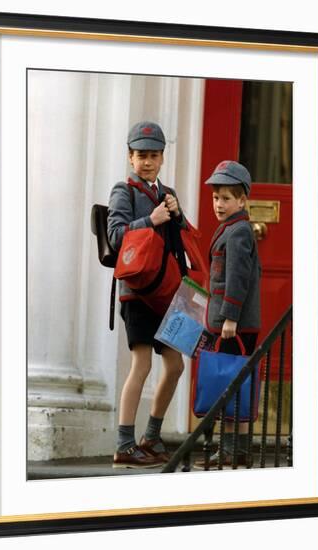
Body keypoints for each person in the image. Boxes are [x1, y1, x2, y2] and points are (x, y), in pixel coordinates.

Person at [107, 121, 186, 469]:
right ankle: (125, 443)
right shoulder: (123, 191)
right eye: (141, 156)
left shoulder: (168, 192)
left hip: (168, 292)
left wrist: (178, 217)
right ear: (130, 157)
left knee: (176, 363)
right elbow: (115, 235)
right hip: (137, 293)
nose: (147, 162)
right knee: (142, 363)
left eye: (153, 155)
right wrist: (151, 220)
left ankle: (151, 437)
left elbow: (180, 244)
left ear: (162, 158)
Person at [194, 160, 261, 468]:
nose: (218, 204)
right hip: (229, 322)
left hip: (234, 324)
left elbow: (237, 278)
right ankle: (239, 451)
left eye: (226, 198)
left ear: (242, 200)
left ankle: (231, 451)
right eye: (215, 198)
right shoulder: (230, 229)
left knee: (231, 385)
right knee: (236, 383)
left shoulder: (238, 232)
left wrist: (230, 318)